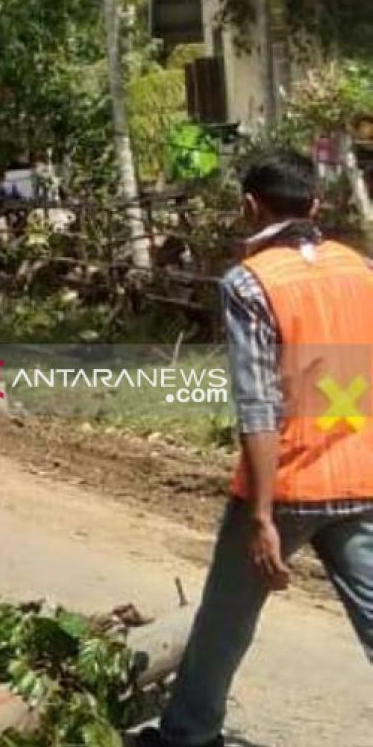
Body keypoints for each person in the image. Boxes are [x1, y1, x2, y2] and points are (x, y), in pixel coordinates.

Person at [136, 150, 373, 747]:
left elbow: (258, 403)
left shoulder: (251, 280)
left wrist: (263, 516)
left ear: (250, 205)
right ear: (316, 205)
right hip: (361, 474)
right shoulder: (360, 269)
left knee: (224, 620)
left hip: (288, 481)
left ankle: (188, 736)